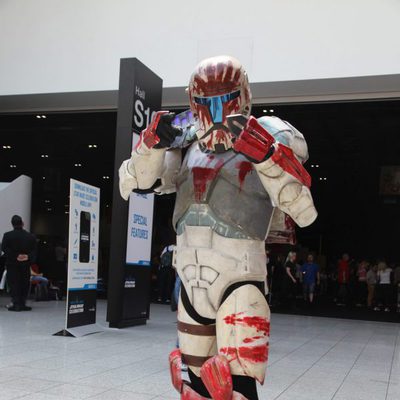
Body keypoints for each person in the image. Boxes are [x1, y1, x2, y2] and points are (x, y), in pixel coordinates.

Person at [119, 55, 317, 399]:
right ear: (193, 101)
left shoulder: (269, 133)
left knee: (237, 385)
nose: (216, 109)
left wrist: (267, 156)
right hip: (192, 280)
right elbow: (133, 182)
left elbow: (302, 210)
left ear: (243, 96)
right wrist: (150, 146)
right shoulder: (182, 140)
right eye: (206, 101)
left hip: (239, 279)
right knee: (194, 383)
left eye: (225, 98)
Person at [1, 215, 36, 311]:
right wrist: (27, 256)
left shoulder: (7, 235)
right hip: (25, 264)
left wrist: (15, 255)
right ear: (22, 223)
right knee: (24, 283)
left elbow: (4, 248)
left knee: (13, 283)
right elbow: (35, 251)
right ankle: (22, 303)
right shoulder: (30, 236)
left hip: (12, 264)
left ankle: (16, 304)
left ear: (12, 224)